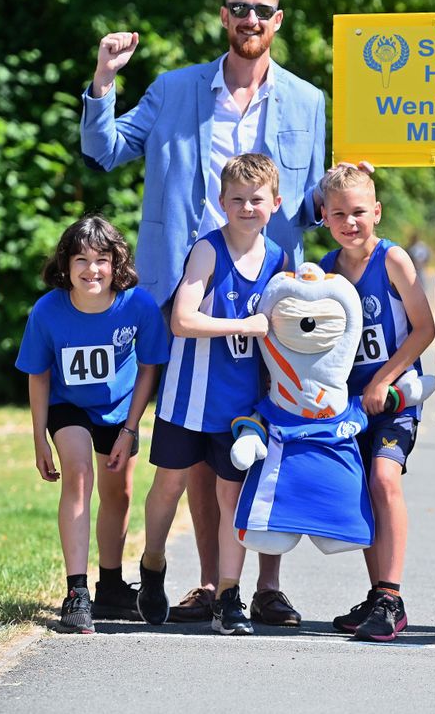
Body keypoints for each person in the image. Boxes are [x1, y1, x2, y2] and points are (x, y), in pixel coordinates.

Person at [80, 0, 325, 624]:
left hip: (267, 299)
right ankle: (214, 583)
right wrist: (103, 80)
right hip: (178, 289)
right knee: (190, 446)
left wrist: (337, 195)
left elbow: (307, 209)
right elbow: (104, 150)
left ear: (278, 21)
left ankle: (263, 586)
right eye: (239, 7)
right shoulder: (174, 90)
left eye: (262, 9)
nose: (250, 18)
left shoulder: (307, 101)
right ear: (224, 15)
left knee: (263, 438)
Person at [140, 153, 288, 634]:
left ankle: (229, 595)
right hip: (189, 398)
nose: (247, 208)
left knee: (233, 496)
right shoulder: (207, 250)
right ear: (222, 202)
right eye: (238, 200)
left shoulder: (280, 259)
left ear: (276, 203)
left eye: (257, 200)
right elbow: (181, 319)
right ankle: (153, 564)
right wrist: (244, 324)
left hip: (240, 406)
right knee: (169, 486)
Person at [16, 216, 169, 634]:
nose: (92, 269)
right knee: (79, 476)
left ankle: (112, 584)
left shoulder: (138, 305)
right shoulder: (48, 310)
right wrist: (39, 440)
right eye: (81, 259)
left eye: (102, 259)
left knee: (118, 493)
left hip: (119, 412)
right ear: (65, 264)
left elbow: (150, 365)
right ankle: (76, 591)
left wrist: (130, 427)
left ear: (117, 263)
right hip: (68, 408)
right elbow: (38, 373)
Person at [318, 166, 435, 642]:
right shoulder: (324, 269)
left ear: (377, 213)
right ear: (324, 216)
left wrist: (384, 379)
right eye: (339, 213)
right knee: (363, 490)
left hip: (395, 396)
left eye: (360, 212)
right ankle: (377, 594)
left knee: (385, 478)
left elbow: (425, 329)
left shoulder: (394, 260)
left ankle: (392, 596)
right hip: (348, 404)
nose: (350, 222)